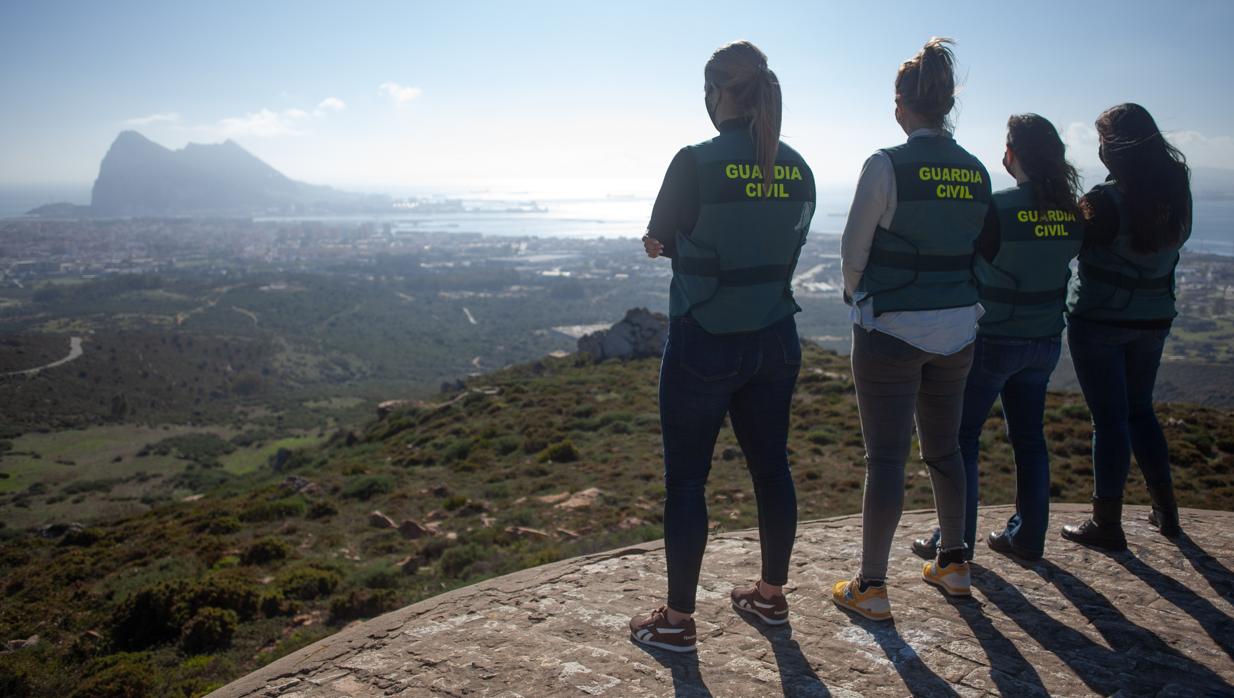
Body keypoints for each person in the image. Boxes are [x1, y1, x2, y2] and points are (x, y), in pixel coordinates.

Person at [629, 40, 815, 653]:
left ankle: (678, 622)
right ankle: (769, 598)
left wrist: (676, 247)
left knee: (687, 482)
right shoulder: (798, 166)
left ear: (716, 94)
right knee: (772, 468)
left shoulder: (694, 161)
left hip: (704, 340)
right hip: (775, 339)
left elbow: (659, 237)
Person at [832, 37, 991, 622]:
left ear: (902, 106)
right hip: (959, 329)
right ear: (947, 105)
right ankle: (954, 562)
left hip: (890, 330)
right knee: (946, 449)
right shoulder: (975, 171)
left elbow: (854, 251)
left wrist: (858, 296)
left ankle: (872, 585)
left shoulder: (886, 164)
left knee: (887, 459)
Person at [911, 114, 1084, 563]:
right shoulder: (1073, 212)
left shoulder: (998, 207)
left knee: (961, 438)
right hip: (1045, 339)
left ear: (1012, 155)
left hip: (992, 339)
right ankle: (1028, 537)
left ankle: (954, 541)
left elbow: (968, 257)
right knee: (1029, 438)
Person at [1060, 103, 1192, 550]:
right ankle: (1166, 511)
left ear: (1113, 149)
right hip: (1155, 318)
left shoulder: (1102, 202)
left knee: (1109, 420)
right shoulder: (1177, 190)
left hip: (1099, 320)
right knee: (1141, 410)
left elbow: (1070, 246)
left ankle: (1107, 522)